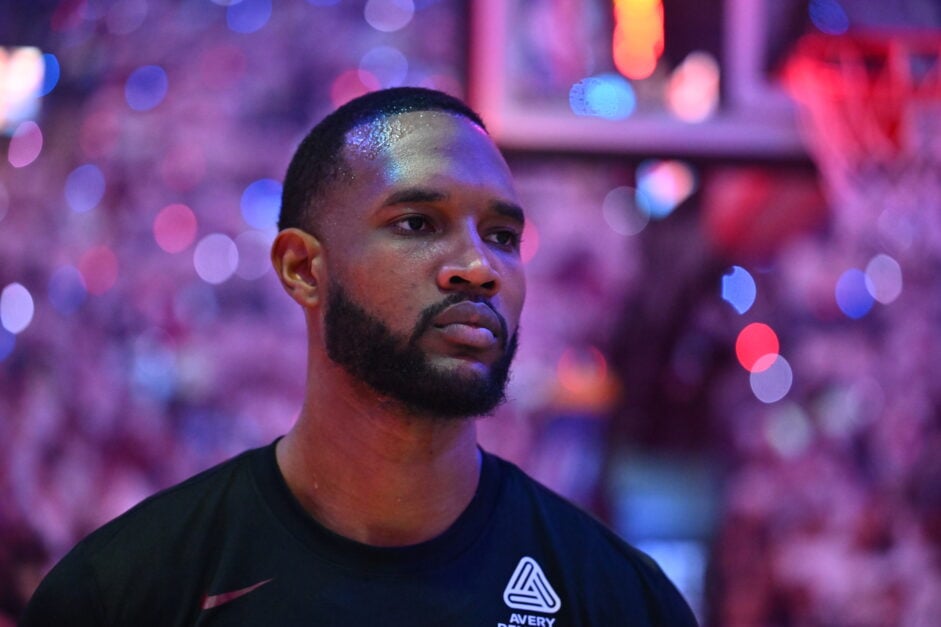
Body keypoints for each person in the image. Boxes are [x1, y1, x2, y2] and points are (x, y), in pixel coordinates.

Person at [20, 87, 698, 626]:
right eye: (417, 224)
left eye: (501, 234)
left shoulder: (618, 599)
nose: (478, 266)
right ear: (302, 269)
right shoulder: (124, 592)